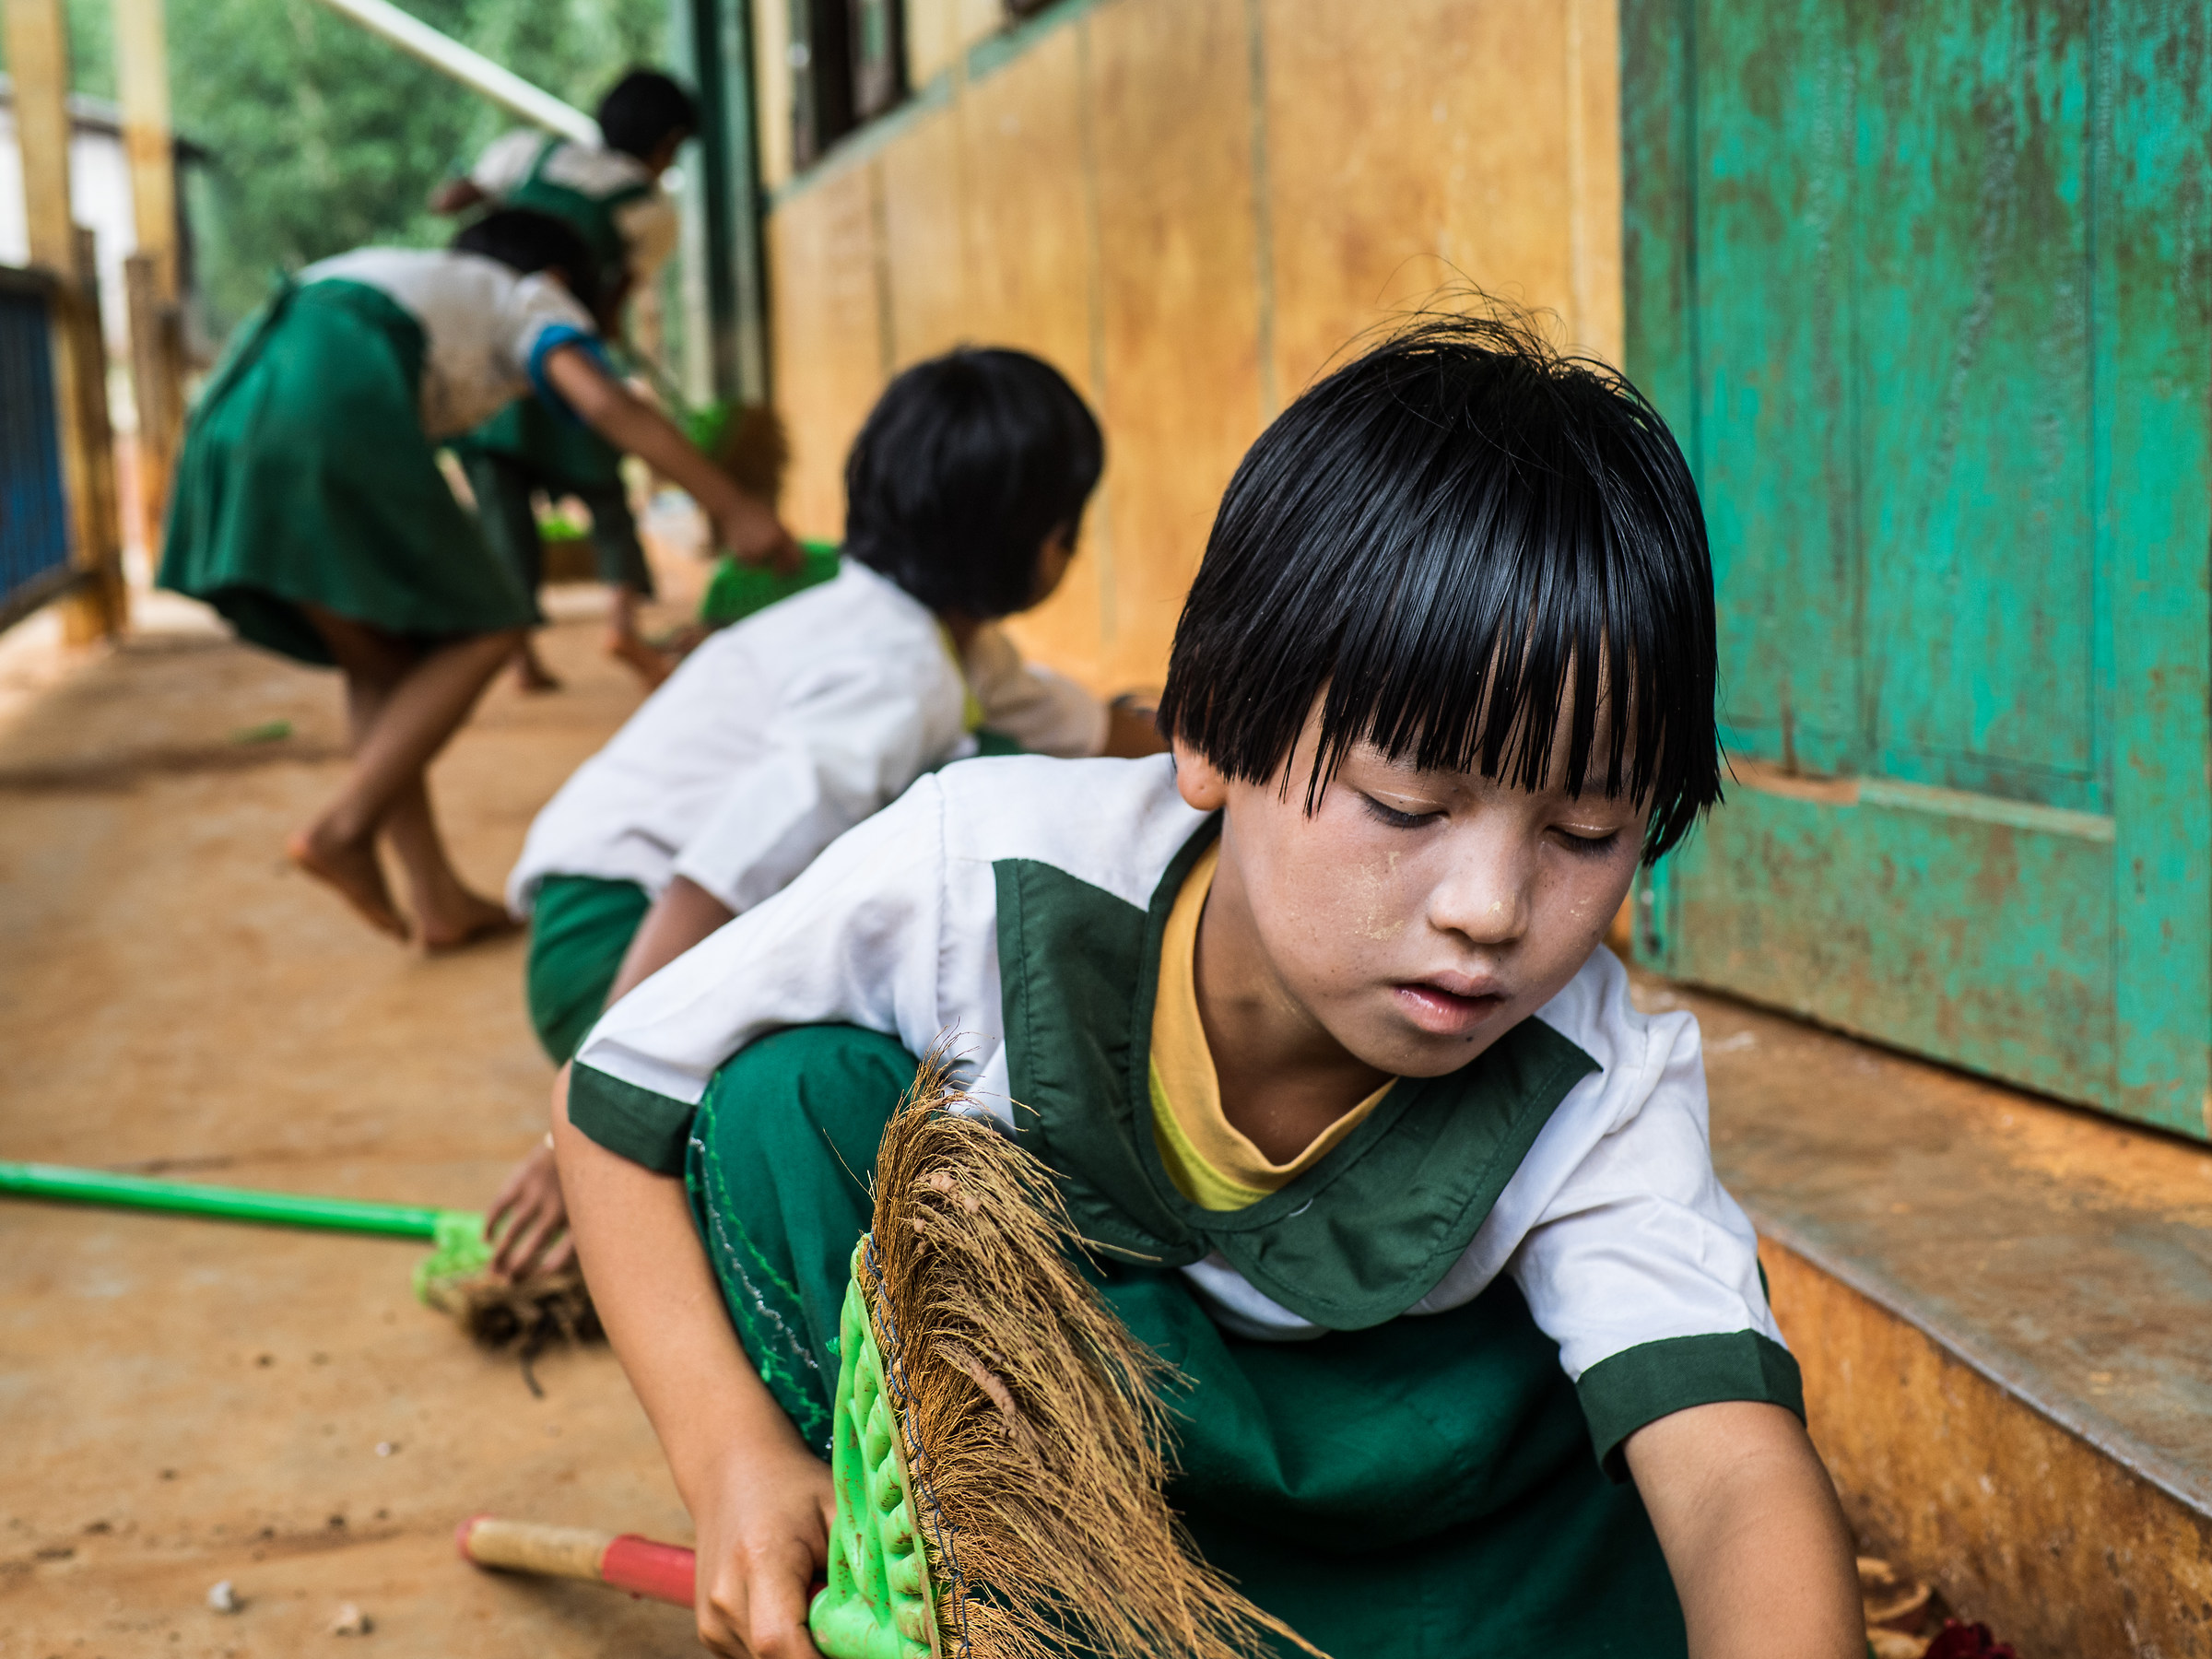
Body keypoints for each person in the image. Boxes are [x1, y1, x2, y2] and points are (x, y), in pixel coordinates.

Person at [552, 313, 1865, 1657]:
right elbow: (611, 1103)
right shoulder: (975, 874)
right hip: (1053, 1485)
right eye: (1410, 805)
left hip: (1383, 1556)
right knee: (792, 1102)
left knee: (1621, 1413)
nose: (1491, 911)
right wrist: (730, 1462)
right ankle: (993, 1610)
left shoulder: (1594, 1079)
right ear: (1212, 734)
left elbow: (1730, 1472)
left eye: (1586, 836)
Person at [480, 347, 1167, 1275]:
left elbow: (1095, 732)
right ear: (1040, 542)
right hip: (621, 938)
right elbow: (710, 878)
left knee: (996, 772)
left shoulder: (939, 645)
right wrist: (587, 1120)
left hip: (611, 912)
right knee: (870, 1068)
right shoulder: (895, 678)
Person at [159, 209, 796, 949]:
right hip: (327, 408)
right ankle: (343, 827)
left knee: (379, 662)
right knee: (494, 623)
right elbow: (603, 403)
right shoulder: (528, 296)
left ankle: (436, 900)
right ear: (562, 280)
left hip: (232, 414)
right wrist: (737, 508)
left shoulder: (414, 283)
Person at [432, 69, 698, 689]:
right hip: (563, 361)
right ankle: (621, 626)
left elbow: (450, 200)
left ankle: (519, 653)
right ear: (668, 143)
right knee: (607, 495)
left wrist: (482, 200)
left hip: (487, 361)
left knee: (503, 508)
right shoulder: (649, 210)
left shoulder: (527, 152)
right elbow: (609, 308)